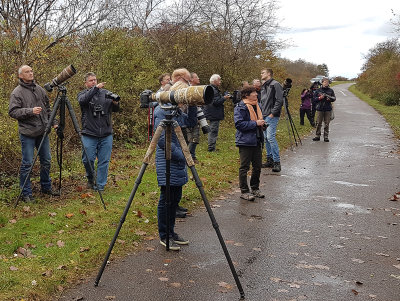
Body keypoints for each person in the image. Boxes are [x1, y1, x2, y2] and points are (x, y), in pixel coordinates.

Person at [154, 69, 197, 250]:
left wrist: (194, 103)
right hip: (168, 160)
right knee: (167, 199)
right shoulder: (161, 111)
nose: (184, 103)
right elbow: (162, 140)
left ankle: (171, 232)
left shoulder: (177, 111)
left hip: (178, 160)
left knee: (175, 198)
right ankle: (164, 235)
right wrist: (184, 157)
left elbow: (191, 122)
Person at [9, 65, 59, 203]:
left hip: (43, 132)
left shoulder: (40, 89)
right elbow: (13, 111)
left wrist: (54, 122)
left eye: (31, 71)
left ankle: (46, 187)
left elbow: (48, 109)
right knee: (27, 164)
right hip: (27, 133)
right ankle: (26, 193)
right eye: (27, 72)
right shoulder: (17, 92)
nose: (31, 73)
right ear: (20, 76)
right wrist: (30, 111)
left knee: (47, 161)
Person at [77, 72, 120, 191]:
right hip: (89, 133)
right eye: (91, 80)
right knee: (87, 159)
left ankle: (100, 186)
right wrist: (95, 89)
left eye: (95, 80)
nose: (94, 82)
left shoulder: (106, 93)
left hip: (106, 133)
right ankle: (91, 178)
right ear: (86, 83)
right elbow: (82, 101)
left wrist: (115, 103)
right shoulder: (82, 94)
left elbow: (116, 109)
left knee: (104, 161)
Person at [234, 86, 266, 201]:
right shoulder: (240, 107)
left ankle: (255, 188)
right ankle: (244, 191)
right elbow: (239, 124)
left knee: (257, 167)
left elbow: (258, 121)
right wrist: (255, 123)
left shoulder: (257, 105)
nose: (256, 94)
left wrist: (262, 124)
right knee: (244, 167)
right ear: (246, 95)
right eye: (253, 93)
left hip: (257, 140)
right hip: (245, 141)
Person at [259, 68, 284, 172]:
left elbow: (279, 100)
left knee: (270, 137)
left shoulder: (275, 84)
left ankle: (277, 162)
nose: (261, 74)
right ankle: (270, 160)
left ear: (269, 74)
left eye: (263, 72)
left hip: (271, 115)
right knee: (265, 138)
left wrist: (273, 113)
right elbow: (263, 101)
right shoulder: (264, 85)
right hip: (264, 115)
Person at [203, 74, 230, 152]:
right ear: (215, 81)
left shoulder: (211, 88)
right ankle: (211, 148)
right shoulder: (213, 90)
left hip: (212, 112)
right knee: (213, 130)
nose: (220, 82)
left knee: (213, 130)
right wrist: (224, 98)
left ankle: (212, 147)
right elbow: (215, 102)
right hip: (213, 113)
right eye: (219, 80)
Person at [312, 78, 336, 142]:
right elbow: (314, 99)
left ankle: (326, 136)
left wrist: (330, 99)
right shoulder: (318, 90)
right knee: (319, 123)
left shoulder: (331, 90)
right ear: (322, 83)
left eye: (327, 82)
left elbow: (334, 98)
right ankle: (317, 136)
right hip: (320, 108)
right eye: (325, 82)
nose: (326, 83)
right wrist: (320, 98)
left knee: (327, 123)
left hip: (328, 108)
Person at [187, 72, 201, 163]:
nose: (199, 78)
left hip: (196, 116)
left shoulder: (197, 90)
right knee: (188, 138)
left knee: (196, 138)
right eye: (196, 77)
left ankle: (192, 156)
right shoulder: (187, 90)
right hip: (187, 117)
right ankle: (187, 156)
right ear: (191, 79)